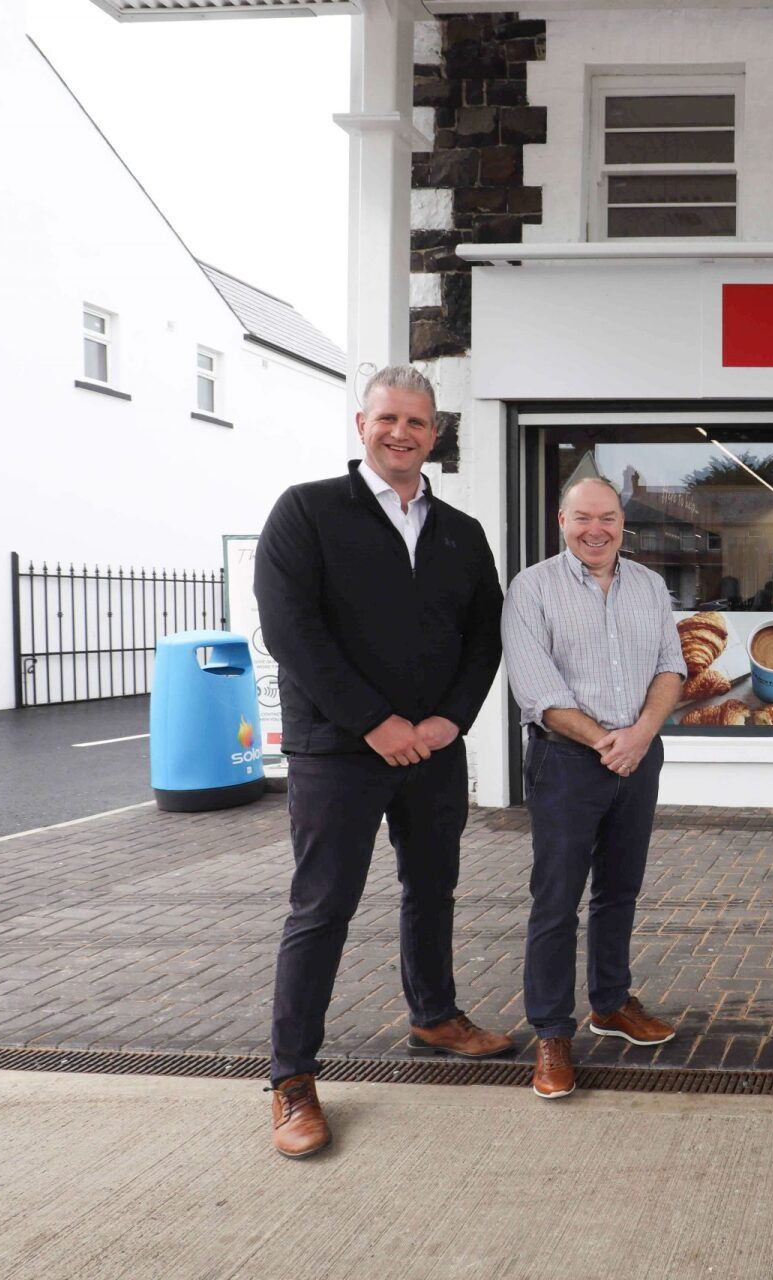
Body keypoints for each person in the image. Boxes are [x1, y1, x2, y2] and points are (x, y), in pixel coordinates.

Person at [255, 365, 509, 1160]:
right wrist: (375, 723)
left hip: (432, 750)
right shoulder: (307, 511)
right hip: (338, 751)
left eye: (417, 422)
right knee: (322, 907)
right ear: (361, 425)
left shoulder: (461, 531)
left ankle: (434, 1015)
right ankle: (292, 1078)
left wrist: (448, 721)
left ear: (435, 435)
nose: (402, 433)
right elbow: (290, 630)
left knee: (432, 888)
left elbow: (485, 635)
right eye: (388, 418)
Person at [501, 473, 687, 1101]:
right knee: (556, 899)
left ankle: (610, 1002)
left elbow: (671, 667)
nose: (596, 529)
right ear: (562, 521)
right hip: (566, 761)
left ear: (622, 523)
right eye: (583, 518)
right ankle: (552, 1031)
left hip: (638, 756)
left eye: (607, 517)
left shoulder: (650, 586)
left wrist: (640, 736)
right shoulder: (532, 589)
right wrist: (608, 741)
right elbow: (537, 689)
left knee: (619, 890)